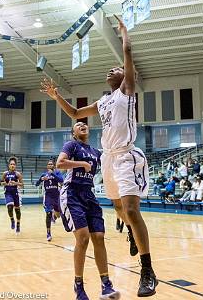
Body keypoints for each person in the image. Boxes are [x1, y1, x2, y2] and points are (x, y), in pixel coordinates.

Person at [41, 17, 157, 297]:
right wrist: (57, 96)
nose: (111, 69)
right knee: (118, 209)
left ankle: (147, 270)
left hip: (127, 155)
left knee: (130, 209)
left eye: (115, 68)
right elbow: (74, 114)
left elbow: (127, 55)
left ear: (124, 77)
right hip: (108, 159)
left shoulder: (126, 92)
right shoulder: (103, 101)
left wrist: (124, 34)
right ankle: (130, 231)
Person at [56, 122, 120, 300]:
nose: (83, 124)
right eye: (78, 124)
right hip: (72, 193)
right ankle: (79, 286)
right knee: (83, 239)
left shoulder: (96, 152)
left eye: (84, 123)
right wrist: (81, 163)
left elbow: (110, 168)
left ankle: (106, 285)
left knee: (99, 237)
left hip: (89, 195)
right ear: (73, 133)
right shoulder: (71, 145)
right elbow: (59, 163)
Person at [35, 160, 63, 241]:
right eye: (49, 164)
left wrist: (53, 173)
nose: (50, 165)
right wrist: (41, 179)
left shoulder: (57, 173)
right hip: (48, 196)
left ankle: (54, 217)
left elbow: (61, 180)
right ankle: (48, 233)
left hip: (57, 196)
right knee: (48, 213)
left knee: (58, 215)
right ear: (47, 166)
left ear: (53, 165)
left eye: (51, 164)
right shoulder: (44, 174)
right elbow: (36, 184)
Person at [0, 157, 23, 233]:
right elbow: (0, 183)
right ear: (9, 165)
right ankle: (12, 220)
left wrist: (15, 183)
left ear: (15, 165)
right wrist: (4, 183)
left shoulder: (18, 174)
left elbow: (22, 184)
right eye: (11, 164)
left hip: (16, 193)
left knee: (17, 210)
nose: (12, 165)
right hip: (8, 193)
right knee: (9, 207)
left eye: (14, 164)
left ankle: (18, 224)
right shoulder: (5, 174)